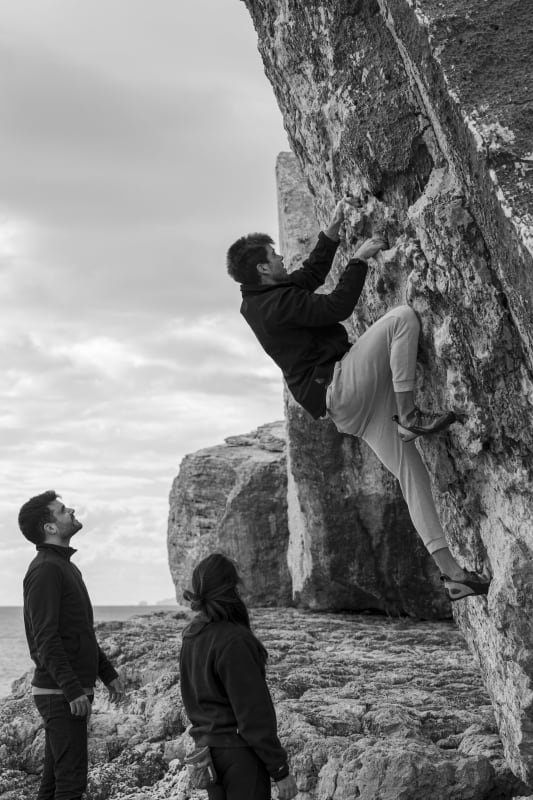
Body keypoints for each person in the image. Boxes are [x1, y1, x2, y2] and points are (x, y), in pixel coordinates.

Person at [226, 198, 489, 602]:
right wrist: (360, 259)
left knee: (411, 476)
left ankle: (453, 575)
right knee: (401, 317)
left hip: (349, 408)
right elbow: (337, 306)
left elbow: (309, 274)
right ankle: (409, 414)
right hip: (342, 385)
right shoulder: (274, 305)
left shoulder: (263, 297)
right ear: (263, 267)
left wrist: (330, 231)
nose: (281, 258)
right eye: (274, 255)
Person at [19, 490, 125, 800]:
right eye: (63, 510)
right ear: (49, 527)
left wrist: (106, 672)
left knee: (54, 785)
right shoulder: (46, 570)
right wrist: (72, 688)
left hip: (65, 691)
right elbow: (45, 638)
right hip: (59, 694)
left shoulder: (63, 566)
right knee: (71, 784)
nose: (71, 511)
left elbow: (79, 631)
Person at [179, 553, 298, 800]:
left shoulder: (191, 636)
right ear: (232, 589)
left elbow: (190, 699)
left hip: (207, 754)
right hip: (239, 757)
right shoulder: (234, 640)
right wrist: (279, 769)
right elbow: (253, 714)